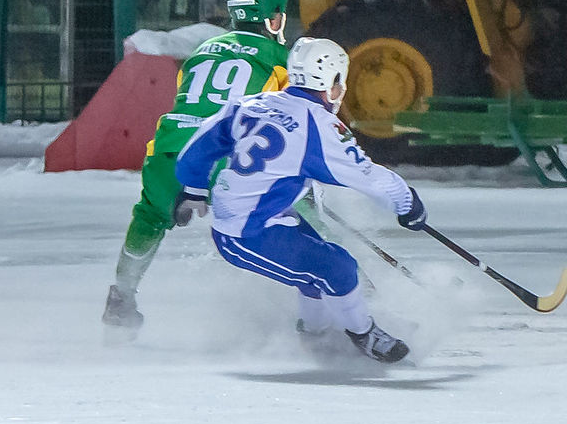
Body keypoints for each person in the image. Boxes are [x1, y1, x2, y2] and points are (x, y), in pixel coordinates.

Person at [172, 36, 427, 364]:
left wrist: (193, 188)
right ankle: (363, 334)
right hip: (246, 233)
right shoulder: (319, 125)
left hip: (262, 216)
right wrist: (408, 205)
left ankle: (314, 334)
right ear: (331, 83)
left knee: (317, 264)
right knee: (339, 268)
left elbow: (201, 144)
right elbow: (367, 175)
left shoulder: (253, 104)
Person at [102, 0, 292, 331]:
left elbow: (192, 99)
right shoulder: (281, 58)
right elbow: (291, 121)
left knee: (149, 217)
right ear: (273, 17)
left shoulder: (203, 51)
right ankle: (332, 297)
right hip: (225, 158)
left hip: (168, 150)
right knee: (293, 207)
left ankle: (121, 297)